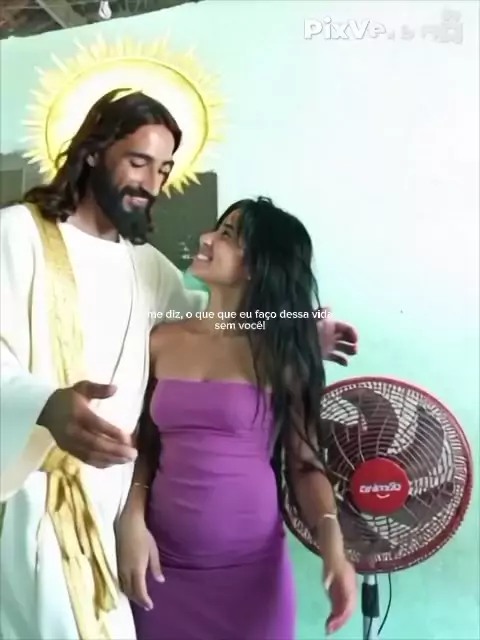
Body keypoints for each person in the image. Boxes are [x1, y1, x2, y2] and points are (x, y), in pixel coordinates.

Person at [0, 90, 357, 640]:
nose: (152, 184)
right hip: (45, 500)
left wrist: (300, 325)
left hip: (132, 515)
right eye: (138, 162)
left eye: (164, 169)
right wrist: (45, 405)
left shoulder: (149, 268)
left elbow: (219, 320)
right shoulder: (16, 235)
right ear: (92, 152)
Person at [117, 197, 357, 640]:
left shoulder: (284, 355)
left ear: (257, 265)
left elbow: (305, 466)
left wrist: (333, 544)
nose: (206, 238)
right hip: (161, 569)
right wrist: (131, 520)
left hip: (252, 578)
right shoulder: (161, 340)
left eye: (227, 235)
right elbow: (143, 446)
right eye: (217, 228)